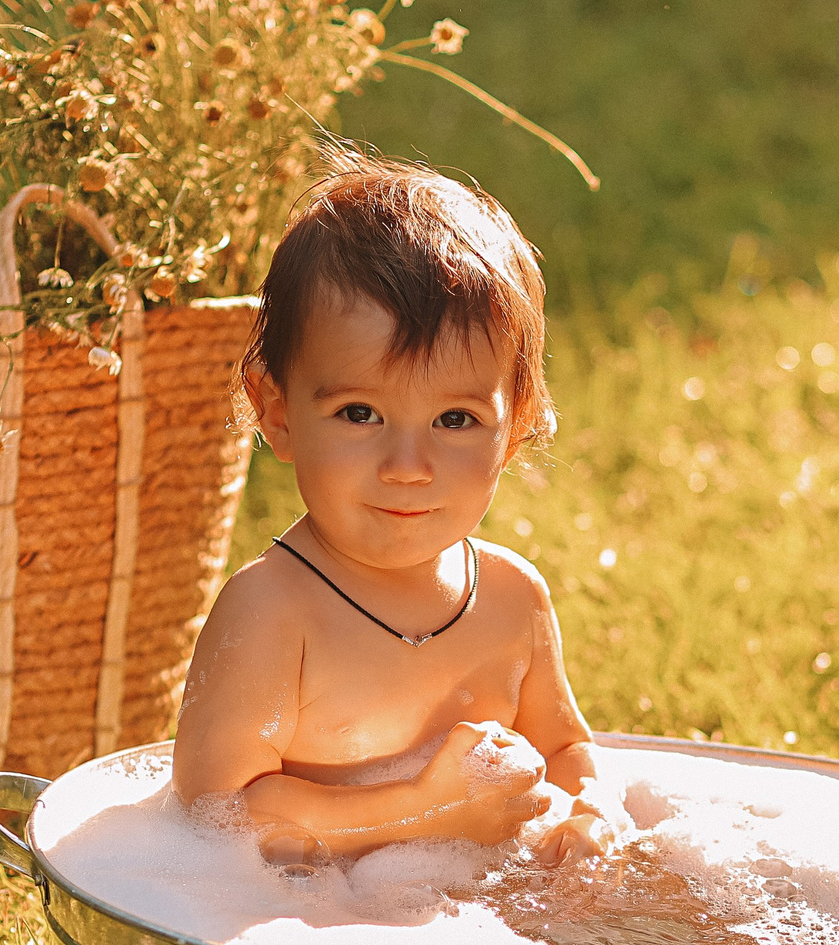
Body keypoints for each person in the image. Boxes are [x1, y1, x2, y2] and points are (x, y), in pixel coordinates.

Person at [169, 148, 619, 868]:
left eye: (454, 420)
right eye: (359, 413)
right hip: (309, 931)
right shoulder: (273, 613)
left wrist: (591, 812)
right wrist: (428, 811)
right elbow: (220, 813)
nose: (408, 468)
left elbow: (566, 746)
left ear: (518, 424)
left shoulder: (512, 598)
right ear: (276, 411)